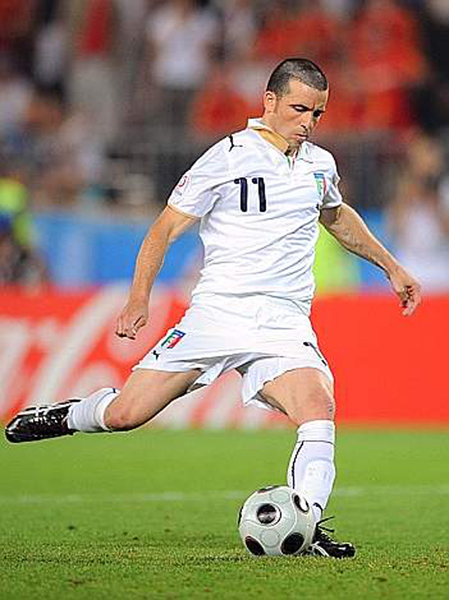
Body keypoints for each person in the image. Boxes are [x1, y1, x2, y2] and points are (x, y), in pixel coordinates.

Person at [5, 58, 421, 558]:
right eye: (299, 109)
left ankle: (306, 526)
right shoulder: (226, 156)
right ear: (269, 102)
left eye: (317, 112)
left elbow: (336, 215)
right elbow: (164, 229)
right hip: (217, 314)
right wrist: (139, 298)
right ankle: (70, 414)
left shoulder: (319, 164)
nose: (308, 122)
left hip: (282, 320)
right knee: (125, 415)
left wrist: (390, 266)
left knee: (319, 407)